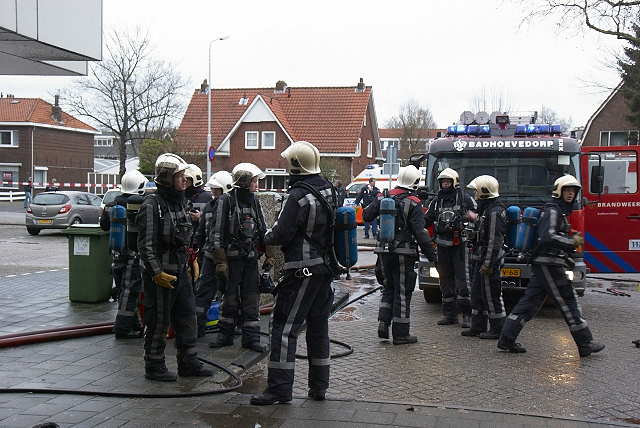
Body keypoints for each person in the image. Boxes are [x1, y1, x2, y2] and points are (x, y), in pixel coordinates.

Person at [250, 140, 335, 406]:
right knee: (319, 327)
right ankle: (319, 386)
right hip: (326, 270)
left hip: (301, 271)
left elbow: (282, 233)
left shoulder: (298, 196)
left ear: (294, 166)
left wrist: (264, 236)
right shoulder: (329, 189)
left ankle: (279, 389)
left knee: (284, 328)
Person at [498, 175, 605, 357]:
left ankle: (507, 338)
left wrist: (567, 253)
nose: (570, 194)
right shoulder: (553, 210)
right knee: (568, 301)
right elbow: (548, 237)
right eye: (567, 190)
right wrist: (572, 242)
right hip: (549, 264)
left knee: (529, 303)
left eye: (573, 191)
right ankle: (585, 343)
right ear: (559, 191)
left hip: (546, 263)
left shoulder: (557, 211)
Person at [136, 153, 213, 381]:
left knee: (188, 318)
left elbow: (184, 238)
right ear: (167, 178)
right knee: (159, 321)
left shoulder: (181, 202)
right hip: (162, 274)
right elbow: (146, 245)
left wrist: (192, 262)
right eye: (179, 176)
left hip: (181, 272)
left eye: (185, 176)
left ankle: (188, 363)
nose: (184, 180)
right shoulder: (152, 205)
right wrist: (156, 272)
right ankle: (154, 366)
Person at [364, 165, 436, 345]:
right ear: (415, 182)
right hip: (404, 253)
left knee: (388, 288)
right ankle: (401, 334)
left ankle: (383, 323)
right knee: (403, 292)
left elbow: (366, 216)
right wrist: (432, 256)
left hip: (383, 251)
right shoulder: (414, 201)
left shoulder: (382, 196)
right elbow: (420, 232)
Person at [208, 163, 272, 353]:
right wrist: (220, 262)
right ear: (244, 183)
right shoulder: (225, 202)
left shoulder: (255, 201)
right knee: (229, 298)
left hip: (250, 259)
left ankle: (251, 338)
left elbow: (264, 229)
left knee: (251, 299)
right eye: (254, 181)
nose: (256, 185)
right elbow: (216, 233)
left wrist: (270, 256)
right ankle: (225, 335)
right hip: (231, 260)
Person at [424, 168, 476, 328]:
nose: (445, 185)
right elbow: (428, 219)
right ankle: (450, 315)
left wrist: (465, 223)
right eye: (443, 182)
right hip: (442, 246)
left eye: (448, 182)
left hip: (460, 246)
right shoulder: (436, 201)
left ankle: (467, 315)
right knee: (445, 281)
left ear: (455, 182)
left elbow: (477, 218)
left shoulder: (465, 199)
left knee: (463, 281)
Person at [100, 170, 148, 339]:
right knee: (130, 291)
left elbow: (104, 226)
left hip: (116, 254)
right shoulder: (139, 204)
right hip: (132, 256)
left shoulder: (112, 204)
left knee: (122, 290)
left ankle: (134, 325)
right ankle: (122, 327)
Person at [461, 175, 507, 340]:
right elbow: (484, 228)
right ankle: (478, 325)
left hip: (489, 263)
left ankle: (497, 328)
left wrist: (488, 264)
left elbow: (494, 241)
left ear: (484, 192)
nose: (474, 195)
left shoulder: (495, 212)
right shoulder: (487, 210)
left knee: (491, 295)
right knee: (477, 294)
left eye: (476, 192)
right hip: (479, 259)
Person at [194, 170, 233, 337]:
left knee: (230, 292)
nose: (212, 191)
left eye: (216, 189)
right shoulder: (209, 207)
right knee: (203, 292)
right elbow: (201, 232)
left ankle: (229, 328)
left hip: (228, 257)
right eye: (212, 188)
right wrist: (199, 251)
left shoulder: (231, 206)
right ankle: (196, 327)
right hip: (210, 256)